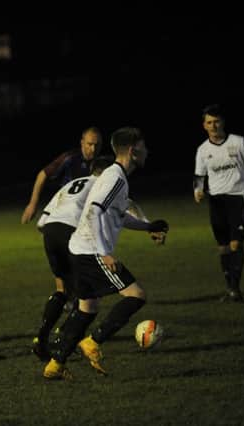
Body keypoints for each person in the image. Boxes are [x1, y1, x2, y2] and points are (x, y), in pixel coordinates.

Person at [42, 127, 169, 380]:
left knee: (87, 308)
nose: (148, 151)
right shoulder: (115, 178)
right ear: (133, 151)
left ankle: (55, 364)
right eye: (144, 147)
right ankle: (93, 342)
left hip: (79, 249)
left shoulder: (115, 177)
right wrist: (104, 253)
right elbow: (95, 212)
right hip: (91, 251)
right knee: (137, 295)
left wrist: (147, 226)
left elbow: (118, 217)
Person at [32, 155, 116, 361]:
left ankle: (42, 338)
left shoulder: (72, 184)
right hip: (70, 232)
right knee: (88, 295)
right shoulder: (101, 187)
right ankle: (63, 340)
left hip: (50, 231)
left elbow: (41, 222)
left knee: (63, 290)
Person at [193, 104, 244, 302]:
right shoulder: (203, 150)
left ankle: (234, 288)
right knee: (222, 247)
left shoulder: (238, 142)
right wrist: (197, 190)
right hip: (216, 200)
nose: (213, 126)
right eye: (209, 122)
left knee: (235, 243)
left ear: (223, 122)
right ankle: (230, 287)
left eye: (216, 121)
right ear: (204, 125)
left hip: (238, 196)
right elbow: (199, 175)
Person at [21, 127, 103, 224]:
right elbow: (42, 175)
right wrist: (33, 204)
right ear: (82, 142)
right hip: (64, 209)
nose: (93, 149)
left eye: (97, 145)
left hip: (85, 212)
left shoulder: (102, 164)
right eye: (90, 144)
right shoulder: (70, 158)